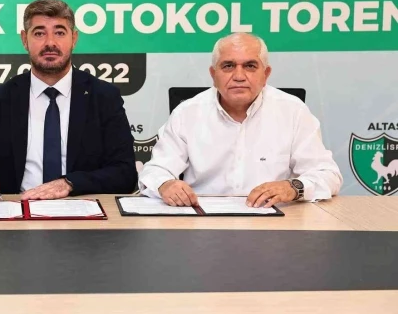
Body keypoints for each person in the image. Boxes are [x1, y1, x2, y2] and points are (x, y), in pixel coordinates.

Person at [0, 0, 137, 201]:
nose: (50, 43)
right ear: (24, 39)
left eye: (59, 32)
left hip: (81, 210)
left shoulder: (103, 96)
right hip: (18, 211)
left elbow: (125, 173)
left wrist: (69, 183)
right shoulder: (0, 99)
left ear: (74, 38)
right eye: (39, 33)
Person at [138, 32, 342, 208]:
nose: (239, 76)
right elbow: (156, 170)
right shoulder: (187, 113)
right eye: (228, 66)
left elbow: (328, 174)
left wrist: (292, 187)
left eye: (250, 66)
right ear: (213, 74)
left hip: (274, 221)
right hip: (203, 221)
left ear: (266, 74)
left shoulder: (293, 111)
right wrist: (165, 184)